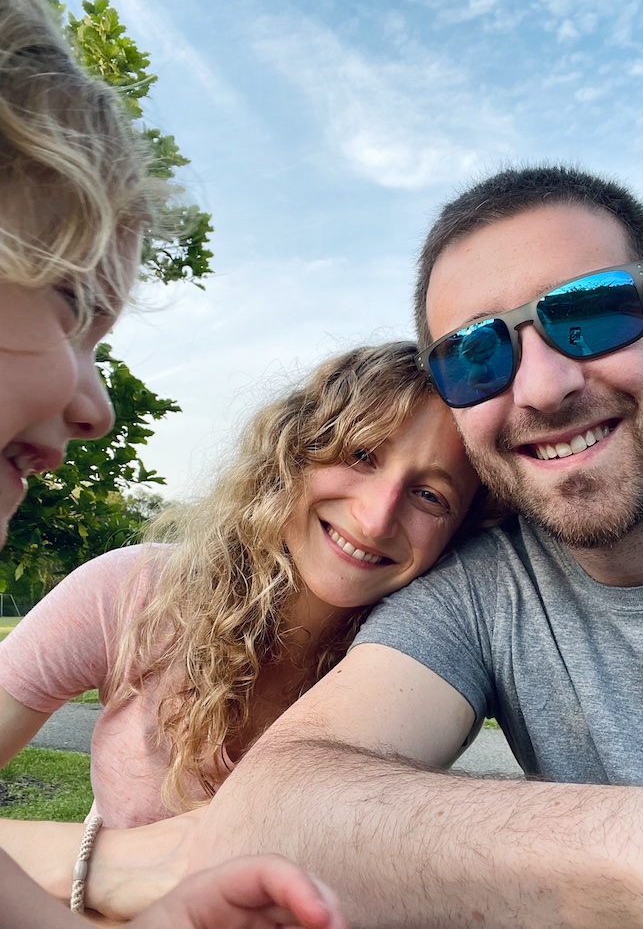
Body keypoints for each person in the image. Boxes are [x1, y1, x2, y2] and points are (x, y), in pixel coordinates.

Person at [76, 163, 643, 928]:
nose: (542, 387)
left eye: (590, 315)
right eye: (476, 355)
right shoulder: (488, 586)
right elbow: (277, 808)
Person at [0, 0, 348, 926]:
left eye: (434, 492)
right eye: (72, 307)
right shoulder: (133, 593)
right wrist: (109, 865)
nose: (98, 409)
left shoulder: (408, 645)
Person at [0, 340, 480, 830]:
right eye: (360, 455)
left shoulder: (434, 672)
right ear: (293, 453)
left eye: (430, 495)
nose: (376, 520)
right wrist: (90, 863)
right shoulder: (133, 592)